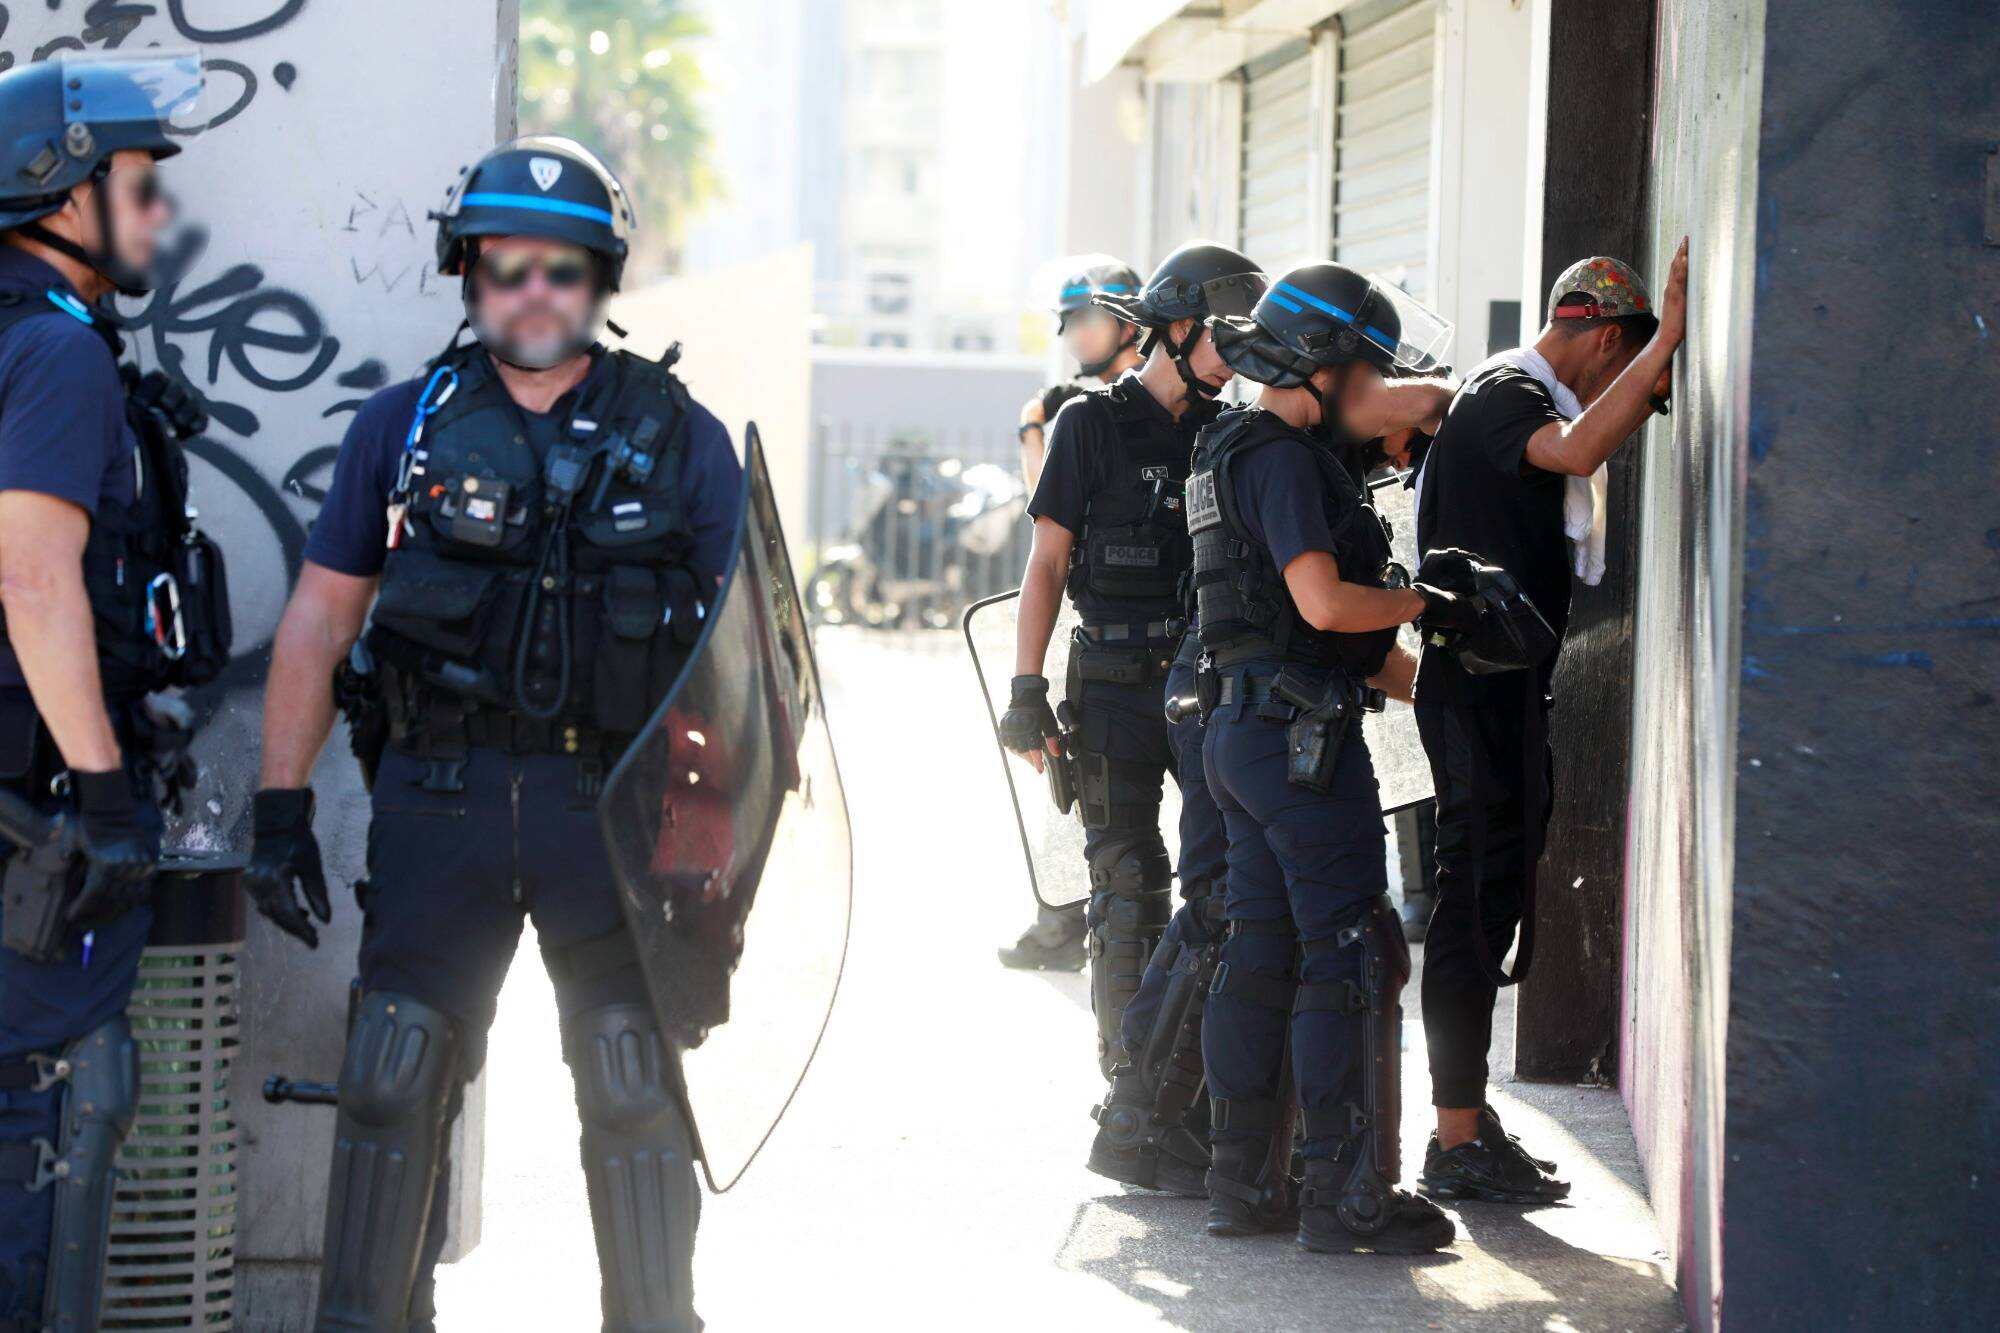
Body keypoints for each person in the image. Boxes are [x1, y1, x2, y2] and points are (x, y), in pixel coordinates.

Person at [242, 136, 742, 1333]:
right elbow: (319, 616)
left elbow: (740, 670)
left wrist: (716, 856)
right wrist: (277, 803)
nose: (532, 291)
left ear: (599, 281)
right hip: (438, 797)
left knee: (631, 1087)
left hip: (610, 814)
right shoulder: (401, 427)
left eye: (560, 269)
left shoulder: (683, 439)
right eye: (506, 265)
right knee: (390, 1076)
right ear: (468, 271)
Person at [0, 51, 226, 1330]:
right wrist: (102, 793)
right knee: (45, 1102)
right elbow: (35, 579)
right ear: (61, 190)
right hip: (31, 816)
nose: (158, 218)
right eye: (139, 188)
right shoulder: (56, 356)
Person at [1187, 260, 1477, 1254]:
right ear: (1319, 359)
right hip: (1299, 747)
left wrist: (1443, 683)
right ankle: (1344, 1197)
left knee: (1259, 950)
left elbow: (1306, 631)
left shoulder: (1229, 447)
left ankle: (1240, 1182)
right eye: (1359, 366)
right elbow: (1322, 606)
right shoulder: (1278, 457)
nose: (1367, 387)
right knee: (1348, 955)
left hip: (1242, 735)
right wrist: (1426, 601)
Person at [1412, 242, 1688, 1206]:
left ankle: (1469, 1118)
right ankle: (1450, 1142)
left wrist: (1647, 373)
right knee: (1469, 902)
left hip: (1506, 692)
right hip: (1475, 693)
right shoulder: (1504, 395)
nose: (1629, 393)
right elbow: (1575, 452)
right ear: (1604, 338)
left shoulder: (1521, 397)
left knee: (1493, 901)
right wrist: (1672, 350)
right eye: (1629, 369)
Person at [997, 243, 1264, 1083]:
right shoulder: (1088, 423)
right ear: (1178, 328)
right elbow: (1045, 564)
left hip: (1204, 687)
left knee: (1222, 882)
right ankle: (1130, 1082)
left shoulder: (1230, 429)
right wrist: (1026, 689)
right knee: (1125, 883)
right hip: (1110, 689)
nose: (1242, 359)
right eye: (1229, 338)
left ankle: (1202, 1074)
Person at [999, 258, 1144, 970]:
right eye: (1069, 323)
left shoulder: (1163, 398)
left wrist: (1035, 429)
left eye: (1085, 318)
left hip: (1171, 637)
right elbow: (1047, 521)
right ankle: (1061, 916)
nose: (1074, 335)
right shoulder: (1075, 406)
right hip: (1097, 628)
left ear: (1126, 319)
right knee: (1087, 799)